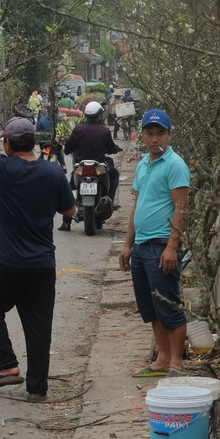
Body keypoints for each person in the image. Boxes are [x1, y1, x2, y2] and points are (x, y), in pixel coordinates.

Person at [0, 98, 76, 401]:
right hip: (42, 264)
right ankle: (38, 390)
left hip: (6, 262)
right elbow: (69, 211)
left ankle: (7, 366)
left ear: (9, 145)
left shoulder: (2, 168)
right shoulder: (53, 173)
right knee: (39, 326)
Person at [118, 109, 190, 377]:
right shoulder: (143, 164)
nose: (155, 139)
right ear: (143, 136)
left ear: (169, 135)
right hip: (142, 247)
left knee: (169, 306)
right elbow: (138, 204)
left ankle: (176, 365)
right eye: (150, 133)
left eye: (160, 133)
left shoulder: (175, 165)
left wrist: (172, 246)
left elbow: (181, 207)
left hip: (161, 246)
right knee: (151, 307)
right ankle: (162, 359)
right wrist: (127, 245)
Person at [60, 101, 122, 231]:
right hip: (99, 167)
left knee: (69, 188)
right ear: (99, 115)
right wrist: (115, 149)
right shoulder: (104, 131)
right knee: (115, 175)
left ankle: (66, 222)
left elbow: (68, 149)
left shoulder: (78, 129)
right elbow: (111, 148)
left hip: (81, 167)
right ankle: (108, 201)